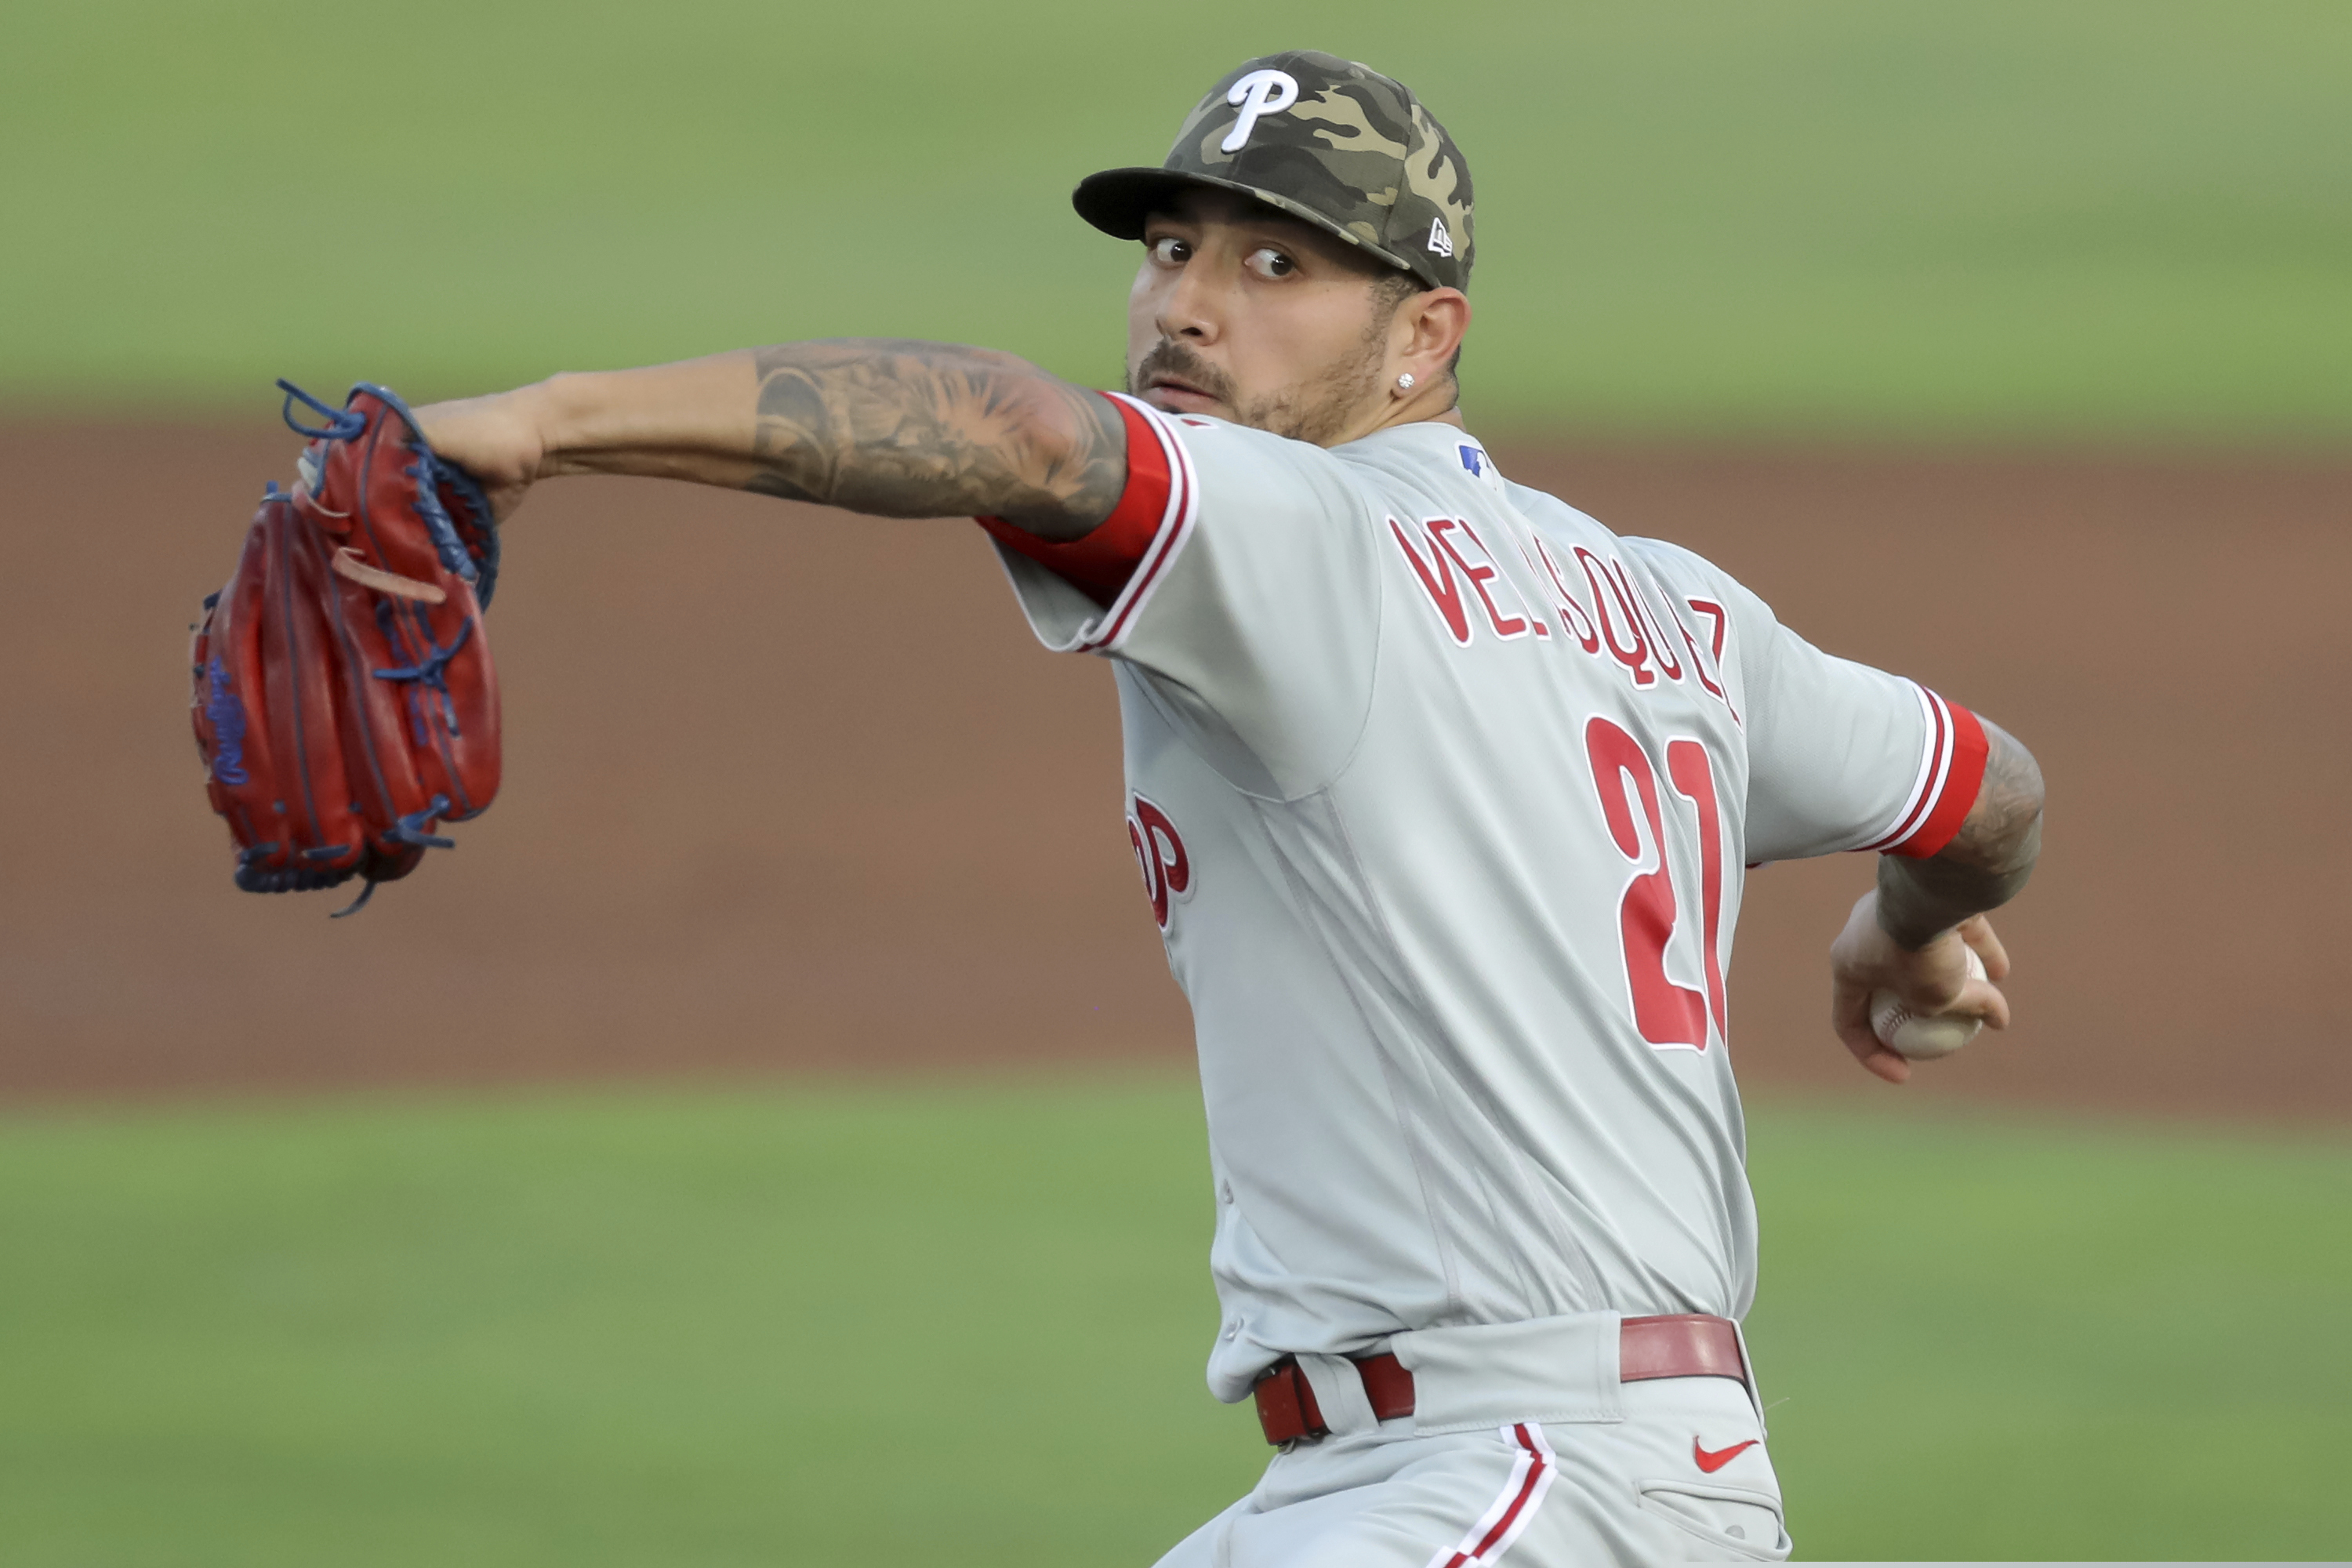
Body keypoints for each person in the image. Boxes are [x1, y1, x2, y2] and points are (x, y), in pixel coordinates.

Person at [417, 50, 2043, 1567]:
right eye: (1171, 250)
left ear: (1424, 337)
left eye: (1277, 266)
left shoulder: (1312, 535)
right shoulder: (1679, 613)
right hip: (1460, 1476)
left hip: (1534, 1475)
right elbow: (1989, 790)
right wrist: (1909, 927)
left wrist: (540, 426)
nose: (1189, 306)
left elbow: (1010, 431)